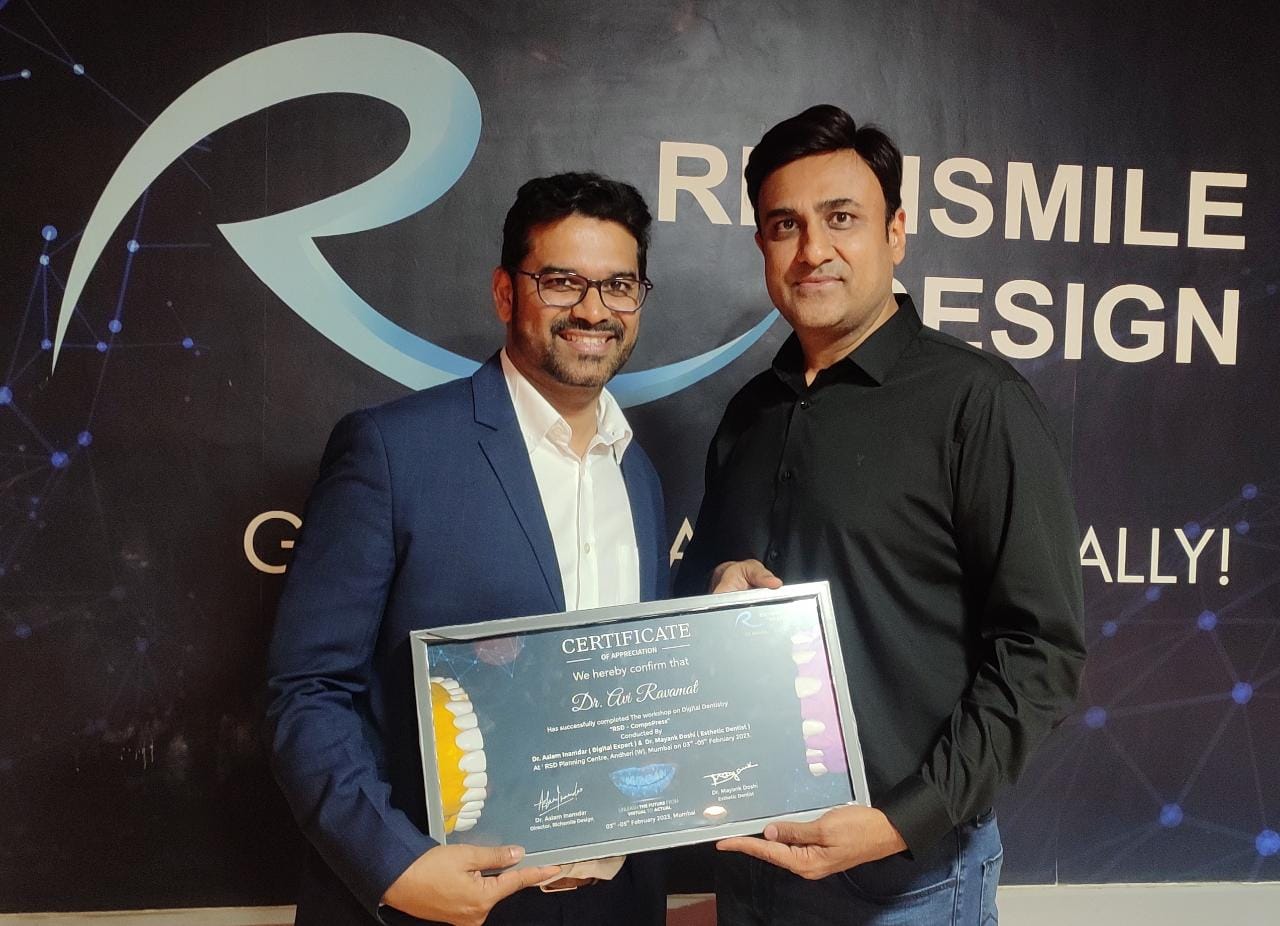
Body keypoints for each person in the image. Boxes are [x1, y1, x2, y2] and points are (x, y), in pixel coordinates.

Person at [675, 105, 1086, 924]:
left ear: (895, 233)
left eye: (842, 219)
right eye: (785, 225)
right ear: (761, 246)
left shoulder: (978, 403)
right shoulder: (749, 413)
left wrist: (902, 822)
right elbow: (699, 599)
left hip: (907, 882)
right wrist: (715, 581)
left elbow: (1042, 653)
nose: (812, 250)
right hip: (752, 866)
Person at [267, 172, 668, 926]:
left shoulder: (638, 474)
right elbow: (310, 688)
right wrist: (394, 863)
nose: (594, 310)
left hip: (613, 905)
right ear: (505, 292)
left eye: (619, 285)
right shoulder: (393, 450)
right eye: (562, 282)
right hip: (436, 906)